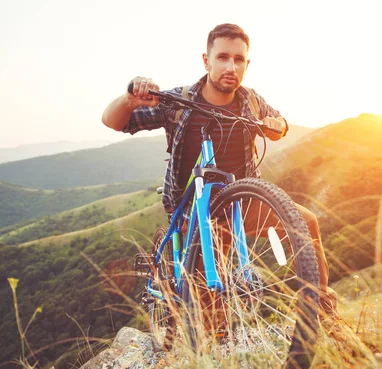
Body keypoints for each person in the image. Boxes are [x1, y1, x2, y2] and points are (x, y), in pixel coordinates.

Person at [101, 23, 337, 324]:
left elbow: (277, 123)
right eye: (223, 57)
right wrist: (130, 99)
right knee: (211, 310)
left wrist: (278, 125)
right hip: (195, 211)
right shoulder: (179, 101)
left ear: (247, 64)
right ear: (206, 60)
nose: (231, 66)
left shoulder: (251, 100)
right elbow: (114, 121)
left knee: (305, 222)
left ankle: (323, 313)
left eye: (239, 60)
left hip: (243, 201)